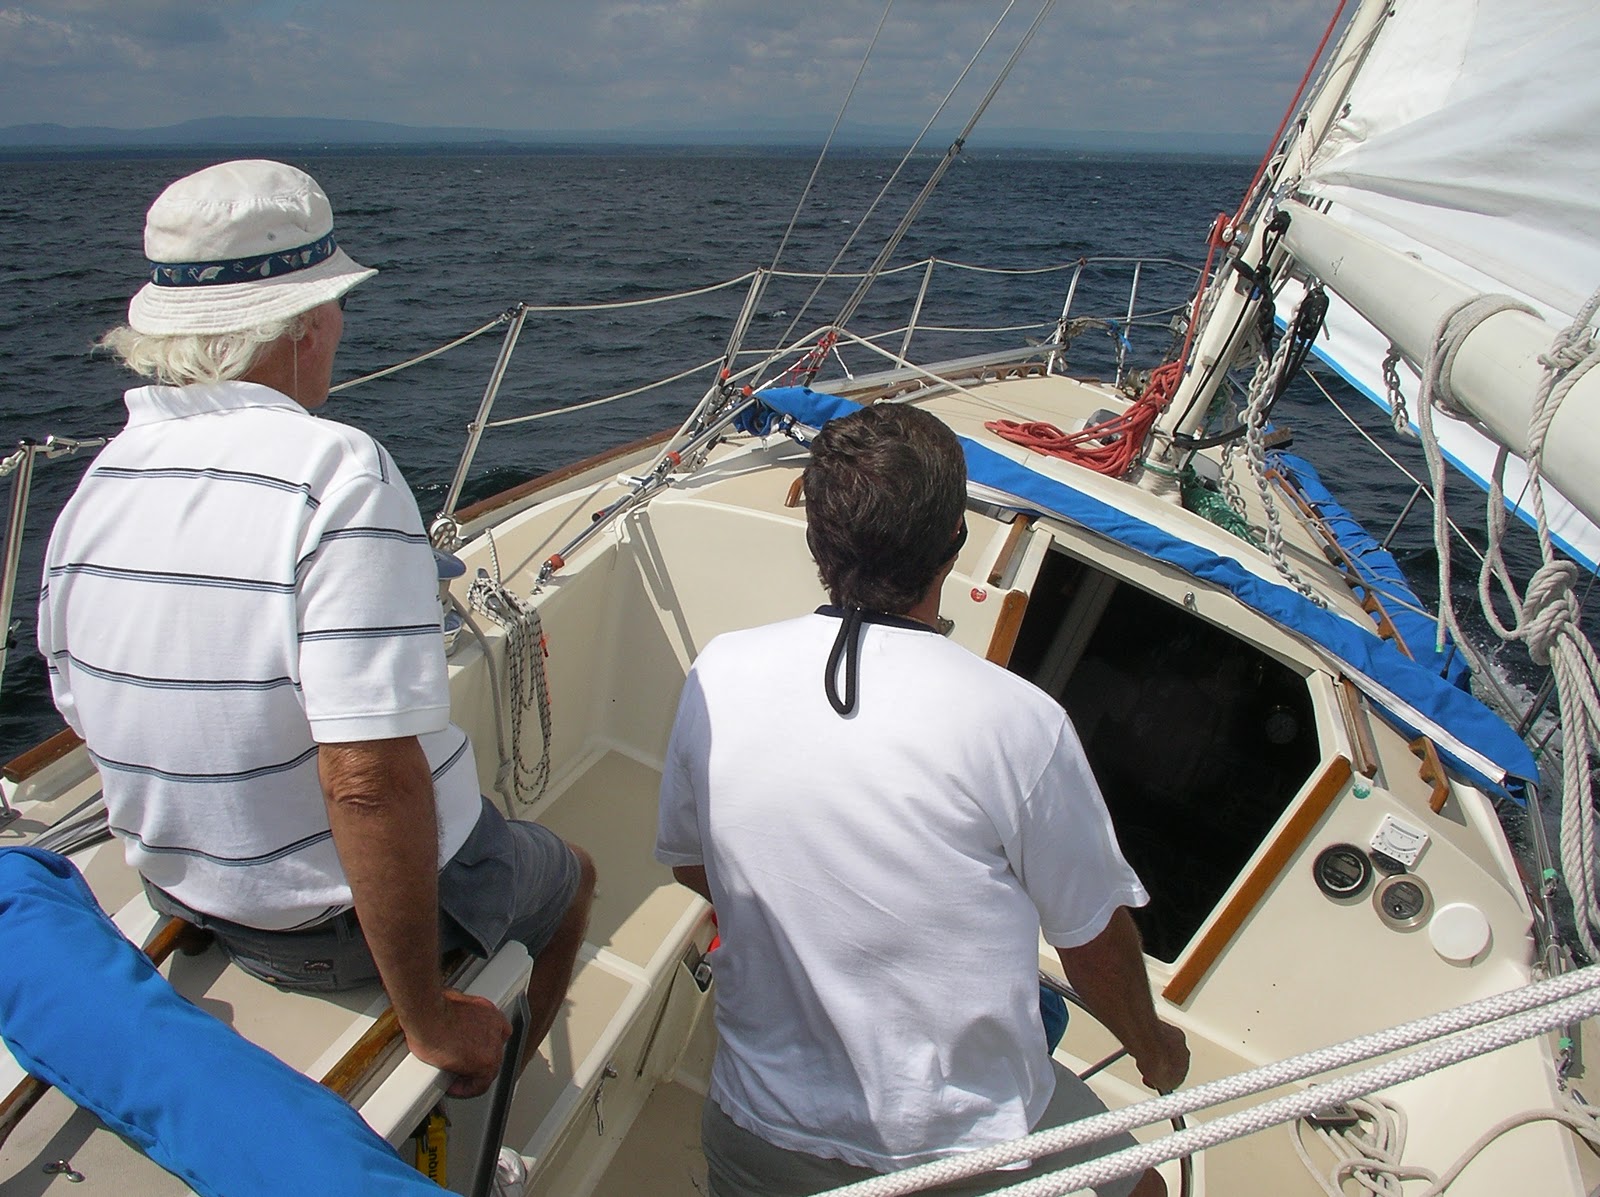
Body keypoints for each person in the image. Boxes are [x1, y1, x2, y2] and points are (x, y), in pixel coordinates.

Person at [37, 159, 594, 1100]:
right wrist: (426, 1016)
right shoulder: (337, 470)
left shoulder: (101, 479)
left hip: (176, 882)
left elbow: (79, 700)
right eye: (335, 304)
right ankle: (499, 1088)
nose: (339, 325)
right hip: (323, 927)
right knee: (571, 875)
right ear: (301, 324)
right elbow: (367, 782)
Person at [655, 402, 1188, 1197]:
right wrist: (1153, 1048)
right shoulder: (1020, 723)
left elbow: (695, 864)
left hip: (757, 1131)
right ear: (955, 543)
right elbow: (1090, 944)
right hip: (957, 1156)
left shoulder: (720, 672)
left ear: (818, 539)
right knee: (1146, 1190)